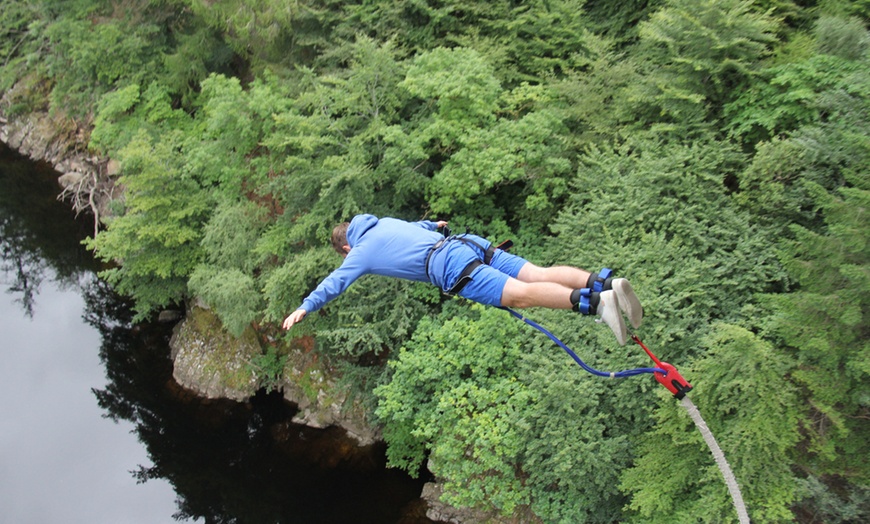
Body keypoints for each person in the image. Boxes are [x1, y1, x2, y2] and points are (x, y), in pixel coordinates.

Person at [282, 214, 642, 345]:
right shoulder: (383, 223)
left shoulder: (359, 251)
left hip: (450, 266)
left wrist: (305, 307)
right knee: (537, 272)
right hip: (464, 243)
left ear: (346, 247)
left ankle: (596, 303)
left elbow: (335, 282)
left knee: (521, 294)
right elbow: (418, 227)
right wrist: (432, 225)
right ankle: (605, 283)